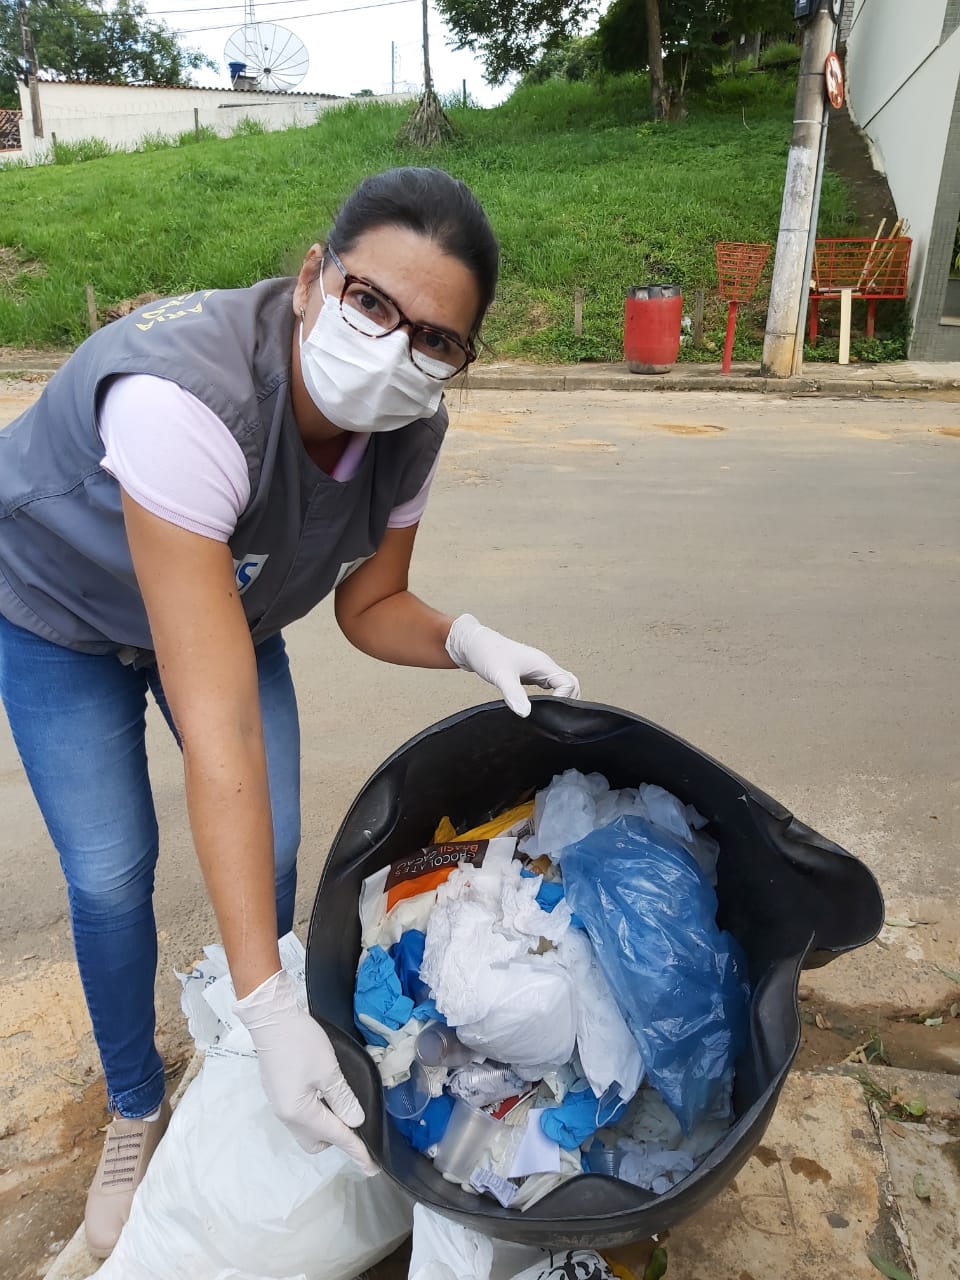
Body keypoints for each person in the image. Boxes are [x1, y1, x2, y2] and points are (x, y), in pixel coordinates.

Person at [0, 166, 579, 1256]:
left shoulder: (410, 425)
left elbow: (371, 603)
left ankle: (237, 1033)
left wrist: (467, 638)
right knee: (112, 868)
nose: (398, 345)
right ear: (315, 275)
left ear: (459, 357)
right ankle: (138, 1102)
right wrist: (281, 1013)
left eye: (437, 338)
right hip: (57, 611)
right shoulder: (187, 397)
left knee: (265, 851)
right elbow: (216, 727)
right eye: (372, 302)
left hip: (230, 601)